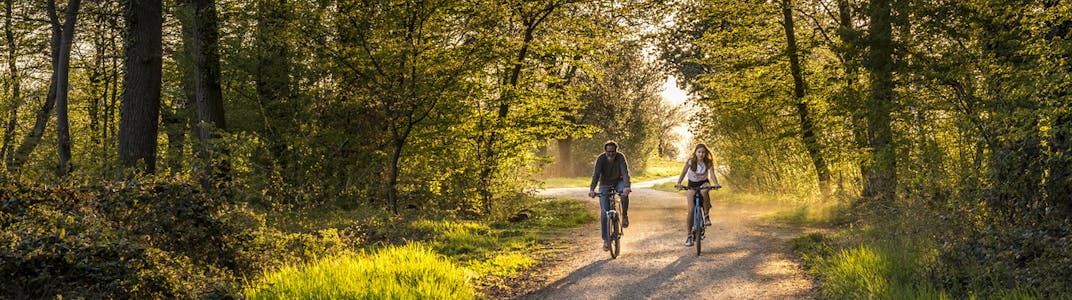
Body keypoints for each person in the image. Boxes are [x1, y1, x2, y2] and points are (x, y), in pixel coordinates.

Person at [674, 143, 721, 247]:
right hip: (692, 184)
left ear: (706, 153)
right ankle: (689, 236)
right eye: (699, 152)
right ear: (695, 153)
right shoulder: (690, 162)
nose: (701, 154)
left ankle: (706, 215)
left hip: (704, 183)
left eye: (703, 152)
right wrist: (679, 183)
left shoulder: (708, 162)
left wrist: (716, 183)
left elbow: (712, 174)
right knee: (690, 210)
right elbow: (683, 173)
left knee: (705, 191)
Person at [588, 140, 632, 251]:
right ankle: (606, 240)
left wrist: (626, 186)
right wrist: (592, 189)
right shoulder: (601, 159)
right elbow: (596, 175)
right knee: (604, 213)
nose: (611, 154)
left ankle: (625, 216)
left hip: (619, 182)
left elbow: (625, 172)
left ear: (616, 151)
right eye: (608, 151)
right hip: (604, 184)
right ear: (605, 151)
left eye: (613, 151)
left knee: (623, 194)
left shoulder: (620, 157)